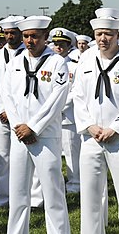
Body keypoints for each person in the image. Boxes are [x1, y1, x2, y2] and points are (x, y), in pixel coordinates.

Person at [73, 8, 119, 234]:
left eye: (108, 34)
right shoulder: (85, 61)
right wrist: (90, 125)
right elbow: (78, 96)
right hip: (91, 137)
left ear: (118, 36)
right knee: (90, 198)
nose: (103, 39)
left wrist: (115, 128)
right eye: (99, 34)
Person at [2, 16, 70, 234]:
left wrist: (33, 127)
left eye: (35, 37)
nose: (30, 41)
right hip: (19, 135)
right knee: (18, 193)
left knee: (53, 193)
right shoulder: (14, 63)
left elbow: (57, 100)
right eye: (26, 36)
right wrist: (19, 126)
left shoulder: (57, 62)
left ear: (45, 37)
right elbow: (7, 96)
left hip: (46, 135)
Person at [0, 15, 26, 207]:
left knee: (26, 156)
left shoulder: (28, 55)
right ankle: (3, 196)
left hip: (21, 115)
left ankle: (28, 195)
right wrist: (1, 109)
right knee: (2, 156)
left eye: (13, 33)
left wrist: (12, 112)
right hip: (2, 116)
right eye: (7, 33)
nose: (10, 36)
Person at [50, 27, 81, 193]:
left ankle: (75, 184)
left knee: (71, 151)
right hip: (49, 117)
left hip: (67, 116)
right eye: (56, 44)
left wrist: (58, 108)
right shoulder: (48, 64)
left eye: (62, 44)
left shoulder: (75, 67)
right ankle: (56, 183)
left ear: (69, 46)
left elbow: (75, 91)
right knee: (52, 151)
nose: (58, 47)